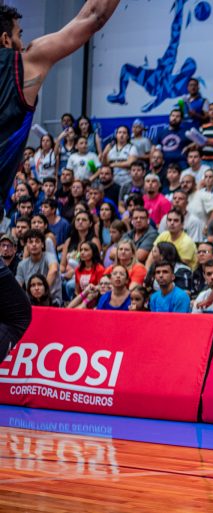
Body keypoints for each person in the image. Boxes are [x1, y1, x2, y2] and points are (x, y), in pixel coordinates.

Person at [0, 1, 118, 358]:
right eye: (19, 35)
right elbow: (92, 17)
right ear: (5, 40)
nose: (23, 41)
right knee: (17, 315)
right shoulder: (22, 63)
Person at [15, 229, 62, 306]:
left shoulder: (49, 256)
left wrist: (43, 291)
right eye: (30, 242)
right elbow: (17, 286)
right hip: (31, 303)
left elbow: (53, 270)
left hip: (52, 302)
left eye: (37, 241)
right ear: (26, 246)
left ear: (42, 244)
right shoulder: (22, 264)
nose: (34, 244)